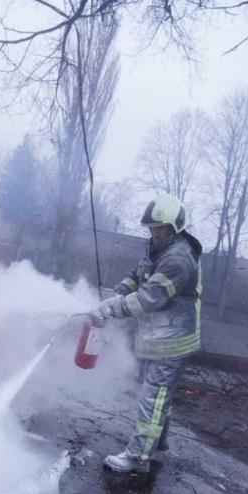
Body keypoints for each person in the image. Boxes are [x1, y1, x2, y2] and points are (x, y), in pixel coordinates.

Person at [90, 193, 203, 474]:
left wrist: (110, 309)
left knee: (153, 397)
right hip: (160, 337)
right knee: (159, 396)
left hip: (172, 341)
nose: (154, 233)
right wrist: (118, 292)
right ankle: (157, 442)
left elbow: (149, 298)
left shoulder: (178, 259)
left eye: (159, 228)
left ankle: (138, 458)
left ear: (174, 228)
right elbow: (138, 276)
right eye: (151, 228)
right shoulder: (159, 249)